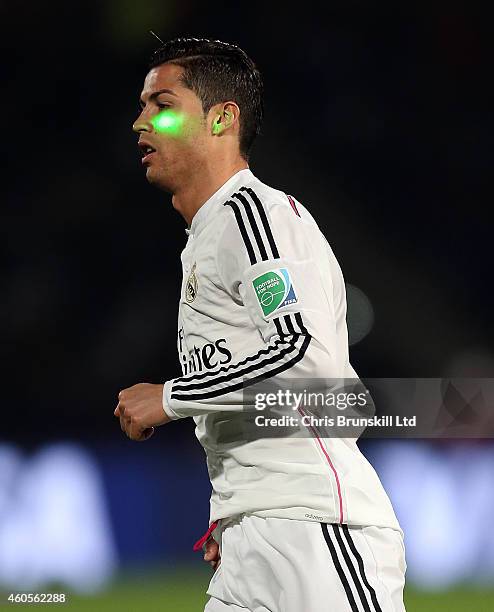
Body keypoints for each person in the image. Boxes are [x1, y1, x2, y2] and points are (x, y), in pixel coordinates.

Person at [114, 37, 406, 611]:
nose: (139, 122)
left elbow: (299, 352)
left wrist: (170, 398)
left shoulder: (253, 215)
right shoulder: (208, 236)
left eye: (162, 105)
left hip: (315, 532)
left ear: (223, 119)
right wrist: (235, 510)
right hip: (252, 536)